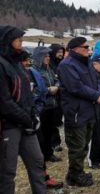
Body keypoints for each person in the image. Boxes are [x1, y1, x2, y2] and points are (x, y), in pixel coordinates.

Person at [0, 25, 46, 193]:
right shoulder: (1, 64)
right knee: (7, 171)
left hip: (26, 124)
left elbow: (27, 92)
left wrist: (33, 113)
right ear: (7, 41)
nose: (21, 42)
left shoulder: (18, 63)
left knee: (37, 161)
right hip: (8, 127)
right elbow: (4, 102)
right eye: (18, 40)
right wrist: (26, 118)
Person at [58, 37, 100, 187]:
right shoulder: (66, 65)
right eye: (85, 47)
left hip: (89, 111)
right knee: (77, 147)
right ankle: (75, 175)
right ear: (75, 49)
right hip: (77, 112)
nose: (89, 49)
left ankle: (75, 173)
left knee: (84, 144)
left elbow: (97, 80)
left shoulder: (86, 63)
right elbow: (75, 87)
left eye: (88, 46)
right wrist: (96, 95)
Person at [21, 51, 64, 190]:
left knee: (38, 155)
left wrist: (36, 110)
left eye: (28, 60)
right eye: (24, 60)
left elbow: (40, 92)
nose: (27, 63)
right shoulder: (10, 74)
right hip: (14, 123)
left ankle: (43, 180)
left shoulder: (32, 72)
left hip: (35, 116)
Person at [32, 47, 62, 163]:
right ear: (39, 57)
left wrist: (57, 86)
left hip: (52, 105)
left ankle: (49, 154)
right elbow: (34, 89)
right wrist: (48, 90)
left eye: (48, 56)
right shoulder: (33, 71)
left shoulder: (49, 69)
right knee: (41, 134)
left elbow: (57, 80)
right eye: (45, 56)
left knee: (50, 131)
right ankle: (41, 156)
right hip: (41, 107)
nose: (48, 58)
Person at [48, 43, 65, 152]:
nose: (61, 54)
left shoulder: (63, 63)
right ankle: (54, 143)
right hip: (52, 96)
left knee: (58, 120)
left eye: (62, 52)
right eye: (58, 52)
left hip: (62, 95)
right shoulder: (49, 65)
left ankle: (56, 141)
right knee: (52, 121)